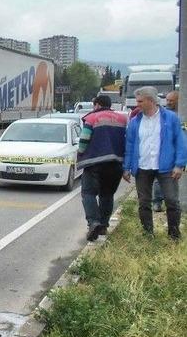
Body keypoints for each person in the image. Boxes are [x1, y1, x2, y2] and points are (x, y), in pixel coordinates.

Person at [123, 86, 187, 241]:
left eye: (140, 101)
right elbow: (130, 146)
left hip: (166, 167)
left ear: (151, 101)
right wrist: (126, 167)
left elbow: (180, 142)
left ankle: (174, 235)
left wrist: (179, 164)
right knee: (144, 202)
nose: (137, 104)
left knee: (172, 201)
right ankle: (148, 234)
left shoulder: (170, 118)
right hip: (143, 167)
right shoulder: (134, 122)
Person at [77, 95, 127, 241]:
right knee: (107, 195)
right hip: (115, 164)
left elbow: (84, 140)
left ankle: (93, 222)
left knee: (88, 193)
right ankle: (104, 225)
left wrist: (80, 152)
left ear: (97, 105)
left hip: (94, 164)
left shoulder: (92, 118)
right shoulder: (122, 119)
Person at [151, 90, 180, 211]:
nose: (168, 102)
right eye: (167, 100)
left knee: (175, 177)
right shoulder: (162, 114)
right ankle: (157, 202)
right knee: (159, 177)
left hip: (178, 150)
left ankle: (174, 203)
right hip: (164, 150)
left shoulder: (181, 113)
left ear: (179, 101)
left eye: (171, 100)